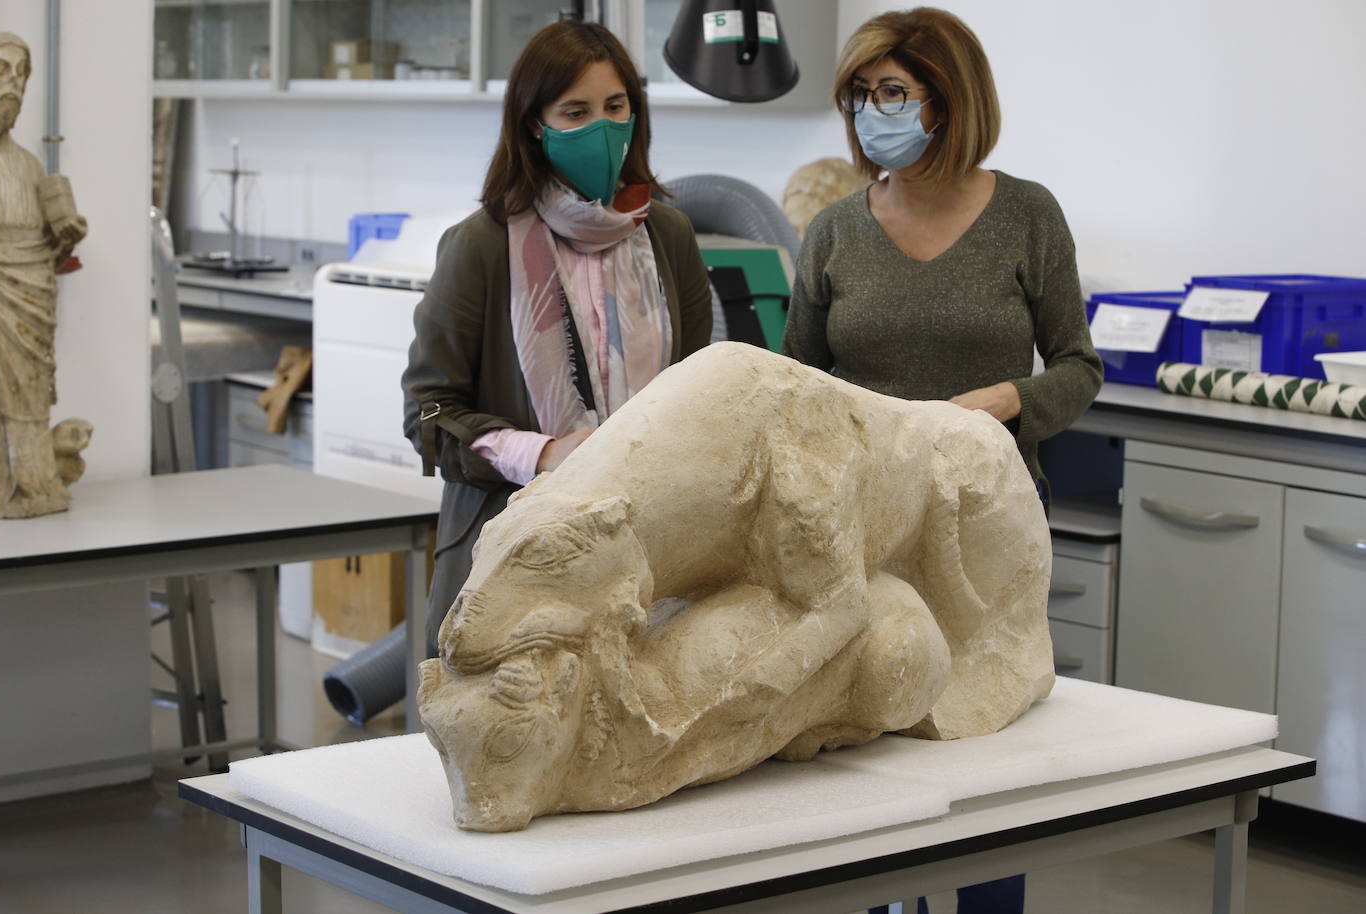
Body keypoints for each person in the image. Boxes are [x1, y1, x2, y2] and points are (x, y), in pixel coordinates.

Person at [781, 7, 1102, 913]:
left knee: (986, 759)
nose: (873, 111)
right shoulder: (837, 231)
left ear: (950, 97)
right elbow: (795, 385)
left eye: (894, 91)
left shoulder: (1028, 216)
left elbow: (1079, 366)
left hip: (990, 528)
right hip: (873, 530)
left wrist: (1012, 400)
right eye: (860, 94)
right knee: (872, 757)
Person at [402, 19, 712, 657]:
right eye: (575, 112)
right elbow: (429, 414)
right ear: (533, 126)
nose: (602, 128)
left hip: (650, 548)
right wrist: (543, 455)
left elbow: (698, 391)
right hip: (511, 552)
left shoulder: (670, 236)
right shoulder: (482, 245)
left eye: (615, 107)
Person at [0, 31, 90, 519]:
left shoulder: (32, 166)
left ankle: (35, 487)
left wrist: (64, 236)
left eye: (21, 76)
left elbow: (49, 253)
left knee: (28, 393)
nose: (12, 87)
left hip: (28, 301)